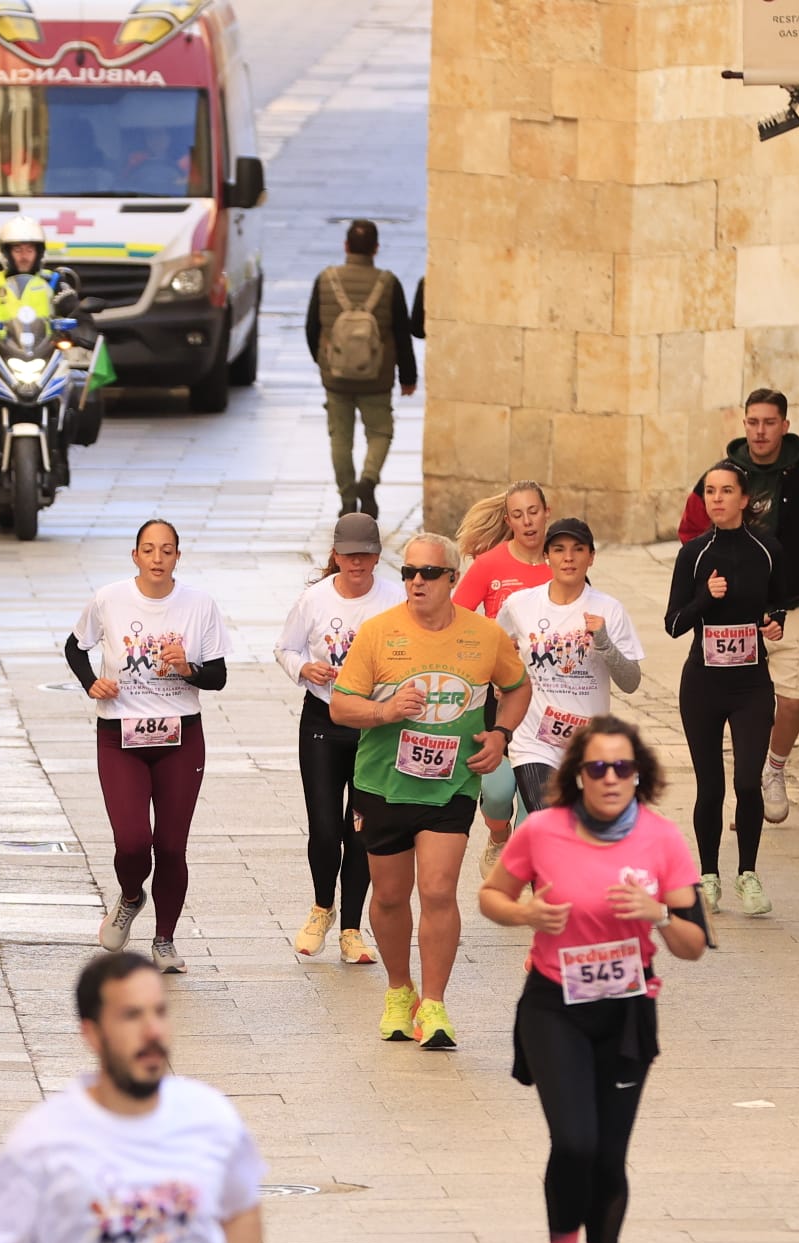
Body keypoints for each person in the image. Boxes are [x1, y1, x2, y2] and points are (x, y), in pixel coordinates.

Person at [478, 717, 709, 1243]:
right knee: (576, 1142)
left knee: (608, 1156)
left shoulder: (663, 840)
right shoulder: (542, 830)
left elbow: (694, 943)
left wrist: (658, 913)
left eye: (622, 767)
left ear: (638, 776)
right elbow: (491, 896)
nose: (610, 778)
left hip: (627, 1010)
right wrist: (526, 914)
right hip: (554, 1006)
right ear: (578, 774)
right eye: (597, 767)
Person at [330, 531, 529, 1049]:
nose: (416, 582)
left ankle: (435, 1006)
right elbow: (340, 705)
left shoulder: (484, 635)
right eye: (409, 573)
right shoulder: (377, 633)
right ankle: (400, 991)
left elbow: (517, 686)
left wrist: (501, 735)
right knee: (392, 897)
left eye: (429, 573)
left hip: (452, 784)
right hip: (382, 784)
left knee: (438, 890)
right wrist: (384, 711)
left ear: (451, 579)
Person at [0, 953, 265, 1243]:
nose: (152, 1032)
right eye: (131, 1016)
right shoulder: (40, 1144)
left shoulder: (212, 1118)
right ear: (93, 1034)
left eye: (159, 1012)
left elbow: (240, 1211)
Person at [677, 388, 799, 825]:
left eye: (769, 423)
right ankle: (747, 787)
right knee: (737, 702)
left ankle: (773, 771)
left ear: (784, 426)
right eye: (753, 422)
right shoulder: (721, 476)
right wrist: (708, 574)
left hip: (790, 606)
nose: (760, 431)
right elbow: (691, 529)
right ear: (744, 425)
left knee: (793, 698)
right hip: (730, 617)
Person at [69, 521, 230, 974]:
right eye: (148, 550)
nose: (157, 558)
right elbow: (74, 647)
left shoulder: (199, 605)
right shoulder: (109, 599)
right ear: (135, 555)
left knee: (172, 846)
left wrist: (189, 668)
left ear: (178, 556)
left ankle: (165, 940)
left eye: (167, 550)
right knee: (134, 842)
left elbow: (217, 677)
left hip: (181, 736)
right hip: (120, 734)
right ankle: (131, 896)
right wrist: (91, 683)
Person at [666, 461, 799, 918]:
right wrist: (706, 597)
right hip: (702, 685)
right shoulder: (694, 555)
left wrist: (774, 621)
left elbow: (782, 600)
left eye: (726, 491)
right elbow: (673, 623)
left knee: (747, 780)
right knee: (711, 785)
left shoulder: (767, 549)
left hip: (751, 686)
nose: (717, 499)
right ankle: (708, 877)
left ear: (745, 499)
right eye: (710, 491)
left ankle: (748, 874)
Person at [272, 513, 403, 963]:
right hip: (323, 721)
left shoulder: (395, 600)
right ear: (335, 556)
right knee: (326, 827)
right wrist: (304, 669)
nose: (357, 563)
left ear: (378, 556)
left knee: (360, 832)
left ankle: (351, 928)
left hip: (374, 726)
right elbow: (285, 648)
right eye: (348, 555)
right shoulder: (313, 600)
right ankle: (321, 907)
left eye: (365, 554)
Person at [496, 518, 644, 818]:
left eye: (578, 549)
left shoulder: (609, 609)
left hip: (590, 743)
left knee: (589, 831)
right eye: (559, 549)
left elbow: (631, 681)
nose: (568, 557)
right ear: (546, 556)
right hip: (534, 740)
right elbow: (494, 648)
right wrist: (504, 681)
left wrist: (603, 642)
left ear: (591, 557)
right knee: (551, 822)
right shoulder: (519, 604)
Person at [454, 481, 554, 874]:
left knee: (536, 806)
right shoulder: (490, 565)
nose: (527, 521)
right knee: (497, 795)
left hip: (548, 702)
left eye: (533, 511)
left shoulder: (560, 560)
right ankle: (498, 837)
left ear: (547, 512)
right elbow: (457, 620)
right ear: (508, 520)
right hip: (501, 699)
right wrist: (488, 653)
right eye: (518, 514)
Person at [304, 218, 417, 520]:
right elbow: (402, 333)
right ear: (376, 249)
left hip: (336, 378)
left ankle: (347, 498)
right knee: (380, 432)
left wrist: (326, 364)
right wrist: (408, 377)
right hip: (376, 379)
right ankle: (368, 481)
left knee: (340, 438)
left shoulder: (325, 279)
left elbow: (312, 327)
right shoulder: (389, 283)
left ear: (346, 246)